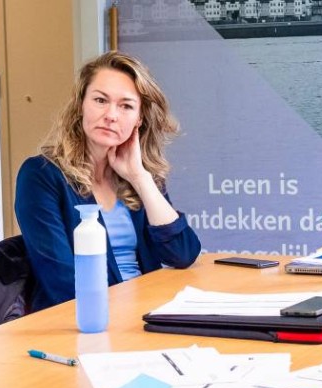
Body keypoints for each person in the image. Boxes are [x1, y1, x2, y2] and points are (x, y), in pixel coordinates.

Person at [15, 52, 200, 311]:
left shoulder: (140, 175)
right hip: (86, 323)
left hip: (148, 315)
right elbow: (63, 284)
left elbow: (183, 253)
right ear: (81, 105)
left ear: (140, 119)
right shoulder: (41, 175)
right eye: (100, 100)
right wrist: (134, 311)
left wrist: (139, 177)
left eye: (126, 106)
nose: (111, 115)